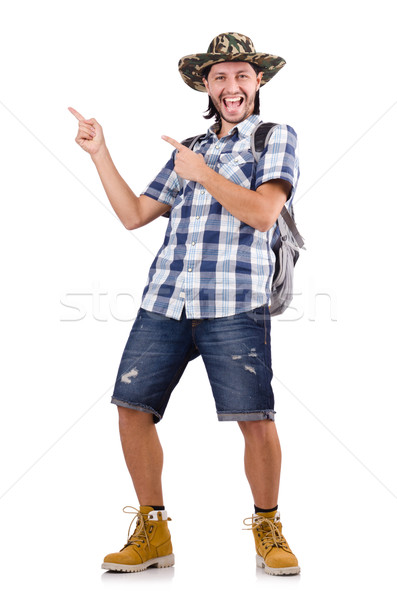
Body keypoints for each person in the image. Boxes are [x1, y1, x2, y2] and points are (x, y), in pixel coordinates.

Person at [69, 31, 300, 576]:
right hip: (166, 299)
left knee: (254, 418)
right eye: (220, 76)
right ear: (207, 85)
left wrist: (207, 177)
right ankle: (153, 530)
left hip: (235, 303)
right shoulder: (189, 150)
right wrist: (101, 153)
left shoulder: (275, 137)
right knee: (131, 407)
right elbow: (134, 215)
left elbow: (265, 213)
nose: (231, 85)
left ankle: (268, 525)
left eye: (242, 75)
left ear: (258, 82)